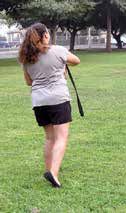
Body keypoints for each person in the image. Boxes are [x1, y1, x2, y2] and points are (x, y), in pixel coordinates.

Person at [18, 23, 80, 188]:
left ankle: (49, 169)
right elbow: (76, 61)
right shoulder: (58, 50)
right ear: (45, 35)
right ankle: (53, 172)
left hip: (39, 102)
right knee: (61, 137)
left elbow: (29, 82)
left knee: (49, 138)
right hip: (58, 99)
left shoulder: (26, 58)